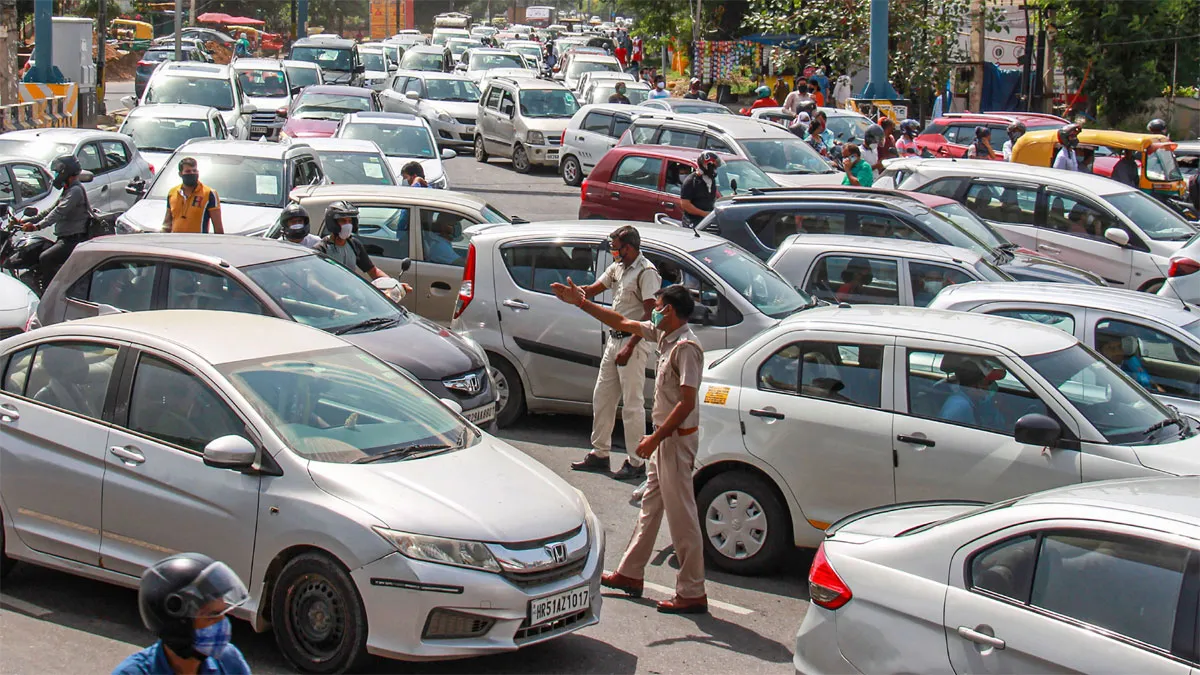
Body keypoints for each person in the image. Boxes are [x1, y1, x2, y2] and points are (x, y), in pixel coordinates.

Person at [550, 281, 708, 614]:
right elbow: (622, 323)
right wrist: (582, 303)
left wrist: (655, 438)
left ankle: (692, 590)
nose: (654, 310)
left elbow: (686, 403)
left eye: (659, 305)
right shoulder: (665, 335)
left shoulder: (686, 348)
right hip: (664, 441)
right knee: (650, 508)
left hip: (675, 442)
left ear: (670, 311)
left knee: (682, 518)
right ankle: (630, 573)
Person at [570, 226, 661, 480]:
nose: (613, 252)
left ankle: (636, 462)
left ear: (628, 248)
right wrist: (576, 294)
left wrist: (631, 346)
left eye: (616, 247)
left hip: (634, 342)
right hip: (614, 341)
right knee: (603, 397)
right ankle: (600, 453)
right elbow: (594, 288)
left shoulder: (646, 272)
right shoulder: (618, 268)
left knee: (632, 405)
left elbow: (649, 314)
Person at [112, 552, 251, 675]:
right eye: (211, 616)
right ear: (178, 625)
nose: (222, 623)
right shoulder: (132, 673)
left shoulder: (228, 660)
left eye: (222, 613)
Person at [18, 155, 91, 289]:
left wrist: (37, 227)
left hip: (73, 240)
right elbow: (50, 210)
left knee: (46, 257)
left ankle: (49, 292)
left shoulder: (75, 191)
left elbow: (58, 213)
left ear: (65, 171)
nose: (55, 175)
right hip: (64, 238)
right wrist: (25, 221)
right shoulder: (68, 189)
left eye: (57, 171)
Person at [313, 201, 390, 280]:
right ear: (333, 223)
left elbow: (373, 271)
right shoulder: (321, 249)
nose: (348, 225)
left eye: (350, 221)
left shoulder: (354, 244)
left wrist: (392, 283)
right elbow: (314, 280)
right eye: (343, 221)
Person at [163, 157, 224, 234]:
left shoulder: (209, 193)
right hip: (176, 242)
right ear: (180, 174)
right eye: (188, 171)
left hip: (198, 242)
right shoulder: (172, 192)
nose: (192, 173)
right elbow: (167, 223)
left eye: (194, 170)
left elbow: (218, 227)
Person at [938, 361, 1005, 429]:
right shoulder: (960, 406)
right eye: (987, 383)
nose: (988, 388)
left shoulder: (978, 401)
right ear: (973, 386)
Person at [1098, 334, 1164, 393]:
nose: (1115, 349)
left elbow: (1147, 377)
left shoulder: (1133, 361)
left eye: (1119, 347)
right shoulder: (1106, 369)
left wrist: (1157, 387)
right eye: (1110, 348)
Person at [680, 151, 721, 226]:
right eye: (714, 167)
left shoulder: (711, 180)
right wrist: (704, 214)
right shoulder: (691, 182)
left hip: (707, 220)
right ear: (706, 165)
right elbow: (685, 204)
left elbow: (712, 198)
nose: (715, 170)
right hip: (692, 221)